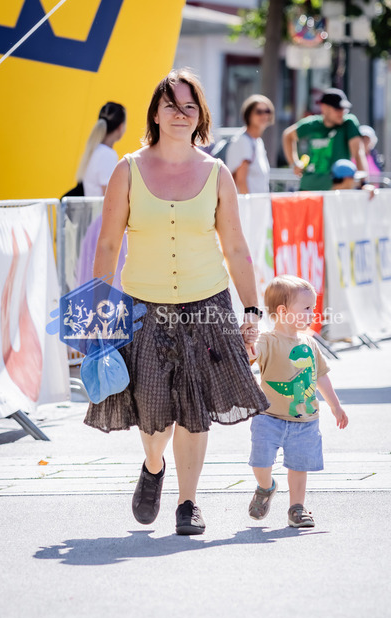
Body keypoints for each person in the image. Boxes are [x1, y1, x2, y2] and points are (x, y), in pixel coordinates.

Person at [84, 69, 269, 535]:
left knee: (194, 407)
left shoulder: (216, 173)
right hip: (143, 306)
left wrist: (251, 310)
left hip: (207, 304)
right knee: (152, 411)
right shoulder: (127, 169)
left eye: (189, 106)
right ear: (156, 113)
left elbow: (236, 247)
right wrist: (100, 312)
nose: (180, 114)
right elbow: (108, 245)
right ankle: (153, 466)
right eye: (171, 105)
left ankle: (188, 502)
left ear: (200, 115)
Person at [246, 275, 348, 527]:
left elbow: (320, 375)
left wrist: (335, 405)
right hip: (268, 417)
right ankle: (266, 486)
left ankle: (297, 508)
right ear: (283, 311)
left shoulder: (310, 342)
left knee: (299, 466)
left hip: (305, 418)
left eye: (312, 308)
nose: (312, 313)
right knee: (260, 462)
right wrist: (248, 345)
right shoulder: (267, 340)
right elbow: (251, 355)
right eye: (306, 308)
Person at [282, 88, 368, 191]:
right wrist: (294, 163)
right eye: (337, 109)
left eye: (344, 109)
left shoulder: (348, 123)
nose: (342, 113)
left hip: (335, 190)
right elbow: (288, 135)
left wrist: (364, 183)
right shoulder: (312, 124)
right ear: (324, 108)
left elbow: (358, 153)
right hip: (307, 188)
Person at [225, 94, 274, 194]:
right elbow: (241, 181)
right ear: (248, 114)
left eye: (267, 111)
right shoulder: (243, 141)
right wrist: (248, 203)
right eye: (259, 112)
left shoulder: (258, 141)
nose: (264, 115)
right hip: (247, 202)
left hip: (259, 201)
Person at [77, 102, 126, 196]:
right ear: (121, 127)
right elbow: (109, 196)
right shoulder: (107, 155)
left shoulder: (95, 150)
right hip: (99, 206)